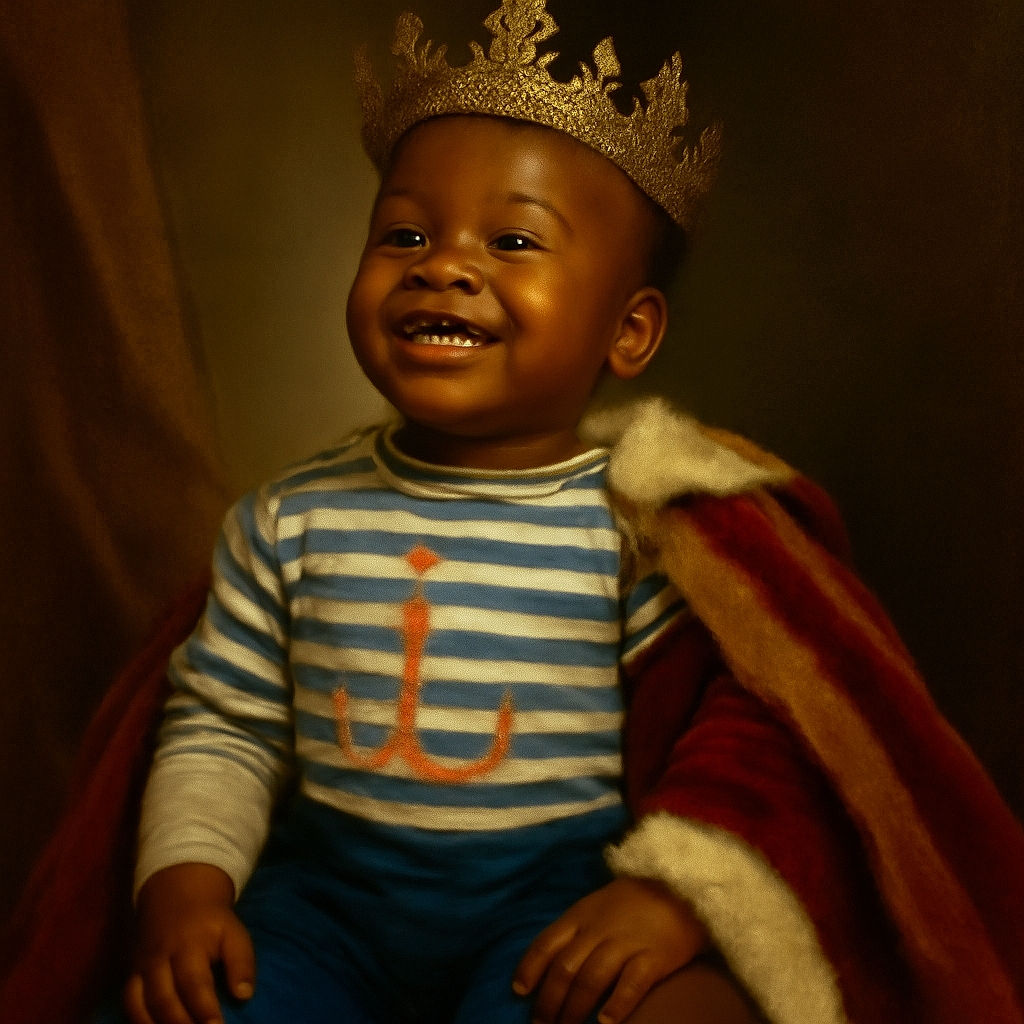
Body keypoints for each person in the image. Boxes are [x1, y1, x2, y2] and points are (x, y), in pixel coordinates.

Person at [47, 2, 1024, 1023]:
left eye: (513, 239)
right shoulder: (289, 519)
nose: (445, 263)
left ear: (630, 330)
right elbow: (226, 723)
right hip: (323, 905)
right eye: (404, 233)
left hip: (545, 905)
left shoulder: (634, 534)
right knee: (190, 1008)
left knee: (672, 1014)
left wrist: (667, 895)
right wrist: (186, 892)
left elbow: (732, 723)